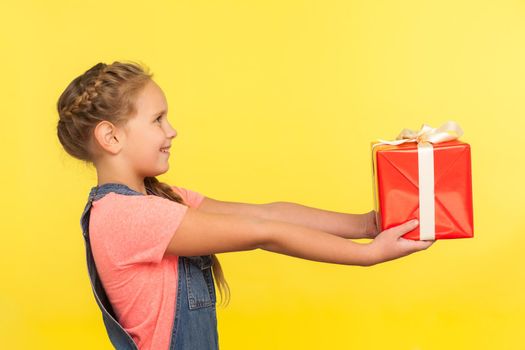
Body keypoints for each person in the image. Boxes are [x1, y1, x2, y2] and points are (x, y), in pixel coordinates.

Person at [56, 60, 434, 350]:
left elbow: (265, 213)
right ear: (110, 135)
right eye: (158, 119)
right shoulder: (128, 217)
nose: (172, 130)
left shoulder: (160, 198)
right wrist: (368, 255)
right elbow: (263, 232)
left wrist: (368, 225)